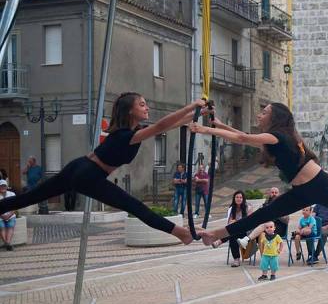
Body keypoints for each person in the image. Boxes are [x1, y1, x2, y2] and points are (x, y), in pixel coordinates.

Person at [192, 103, 328, 267]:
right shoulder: (277, 137)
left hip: (320, 185)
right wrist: (219, 125)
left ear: (275, 118)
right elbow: (246, 136)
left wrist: (206, 131)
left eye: (264, 112)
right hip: (301, 191)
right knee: (262, 214)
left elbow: (242, 138)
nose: (259, 115)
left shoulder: (279, 136)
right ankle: (216, 234)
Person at [0, 93, 203, 244]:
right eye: (142, 105)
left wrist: (199, 113)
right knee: (135, 207)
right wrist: (191, 105)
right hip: (89, 174)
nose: (146, 108)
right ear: (130, 110)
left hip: (80, 167)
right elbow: (160, 126)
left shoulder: (133, 131)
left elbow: (167, 126)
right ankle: (181, 233)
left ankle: (181, 233)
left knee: (29, 198)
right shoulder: (126, 135)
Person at [223, 190, 249, 267]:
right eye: (237, 197)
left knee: (233, 233)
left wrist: (236, 221)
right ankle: (236, 259)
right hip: (235, 232)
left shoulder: (247, 208)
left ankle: (221, 240)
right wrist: (232, 222)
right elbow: (228, 223)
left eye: (240, 197)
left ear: (243, 199)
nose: (238, 199)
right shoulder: (231, 209)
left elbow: (248, 223)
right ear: (234, 199)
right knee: (233, 235)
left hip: (245, 233)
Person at [0, 180, 16, 250]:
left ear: (7, 186)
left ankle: (7, 243)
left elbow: (16, 206)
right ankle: (8, 244)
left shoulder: (12, 194)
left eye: (4, 186)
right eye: (1, 186)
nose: (3, 187)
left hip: (10, 215)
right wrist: (2, 215)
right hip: (0, 216)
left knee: (10, 226)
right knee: (1, 227)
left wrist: (9, 214)